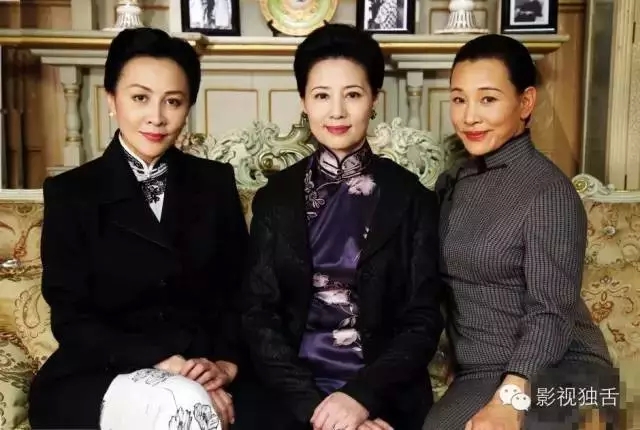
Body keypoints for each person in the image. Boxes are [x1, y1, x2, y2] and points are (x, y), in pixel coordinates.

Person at [28, 27, 253, 430]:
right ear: (111, 99)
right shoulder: (71, 193)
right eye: (140, 98)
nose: (157, 117)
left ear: (188, 107)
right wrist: (164, 363)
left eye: (173, 101)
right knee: (185, 405)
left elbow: (240, 293)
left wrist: (224, 364)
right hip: (98, 373)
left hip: (201, 366)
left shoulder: (214, 182)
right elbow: (72, 319)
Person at [241, 23, 444, 430]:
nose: (336, 111)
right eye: (321, 96)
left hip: (382, 390)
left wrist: (360, 399)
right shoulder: (275, 198)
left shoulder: (411, 197)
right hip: (292, 394)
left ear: (374, 100)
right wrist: (316, 410)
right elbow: (259, 315)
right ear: (304, 101)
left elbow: (422, 319)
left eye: (352, 94)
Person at [423, 34, 617, 430]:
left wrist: (510, 399)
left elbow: (552, 311)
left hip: (565, 373)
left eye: (488, 99)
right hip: (482, 373)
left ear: (526, 102)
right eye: (459, 99)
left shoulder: (548, 191)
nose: (469, 117)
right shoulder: (450, 184)